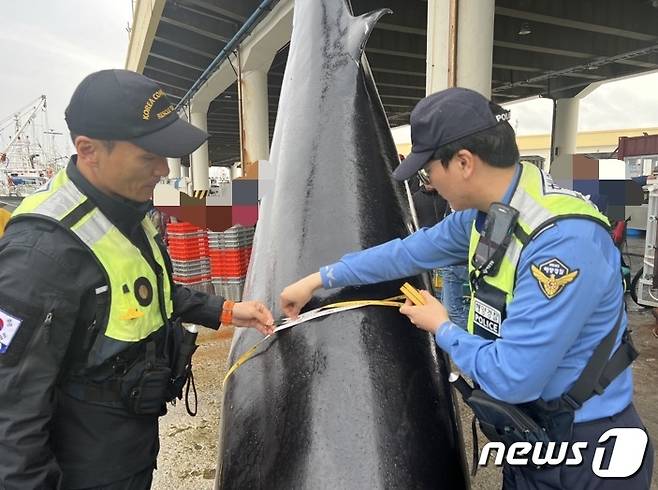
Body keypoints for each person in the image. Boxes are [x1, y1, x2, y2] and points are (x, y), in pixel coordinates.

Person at [280, 87, 653, 488]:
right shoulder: (487, 215)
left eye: (429, 171)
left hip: (589, 450)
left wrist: (443, 327)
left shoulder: (561, 244)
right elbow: (408, 253)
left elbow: (513, 376)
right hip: (530, 436)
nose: (430, 183)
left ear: (463, 163)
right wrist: (319, 278)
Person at [0, 69, 275, 490]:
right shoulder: (41, 255)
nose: (163, 170)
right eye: (148, 157)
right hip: (85, 468)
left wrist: (225, 309)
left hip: (129, 442)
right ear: (89, 150)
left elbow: (149, 289)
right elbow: (10, 416)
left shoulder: (128, 208)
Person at [411, 177, 470, 329]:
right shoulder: (415, 199)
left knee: (453, 310)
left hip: (451, 260)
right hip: (438, 258)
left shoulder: (448, 197)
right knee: (445, 304)